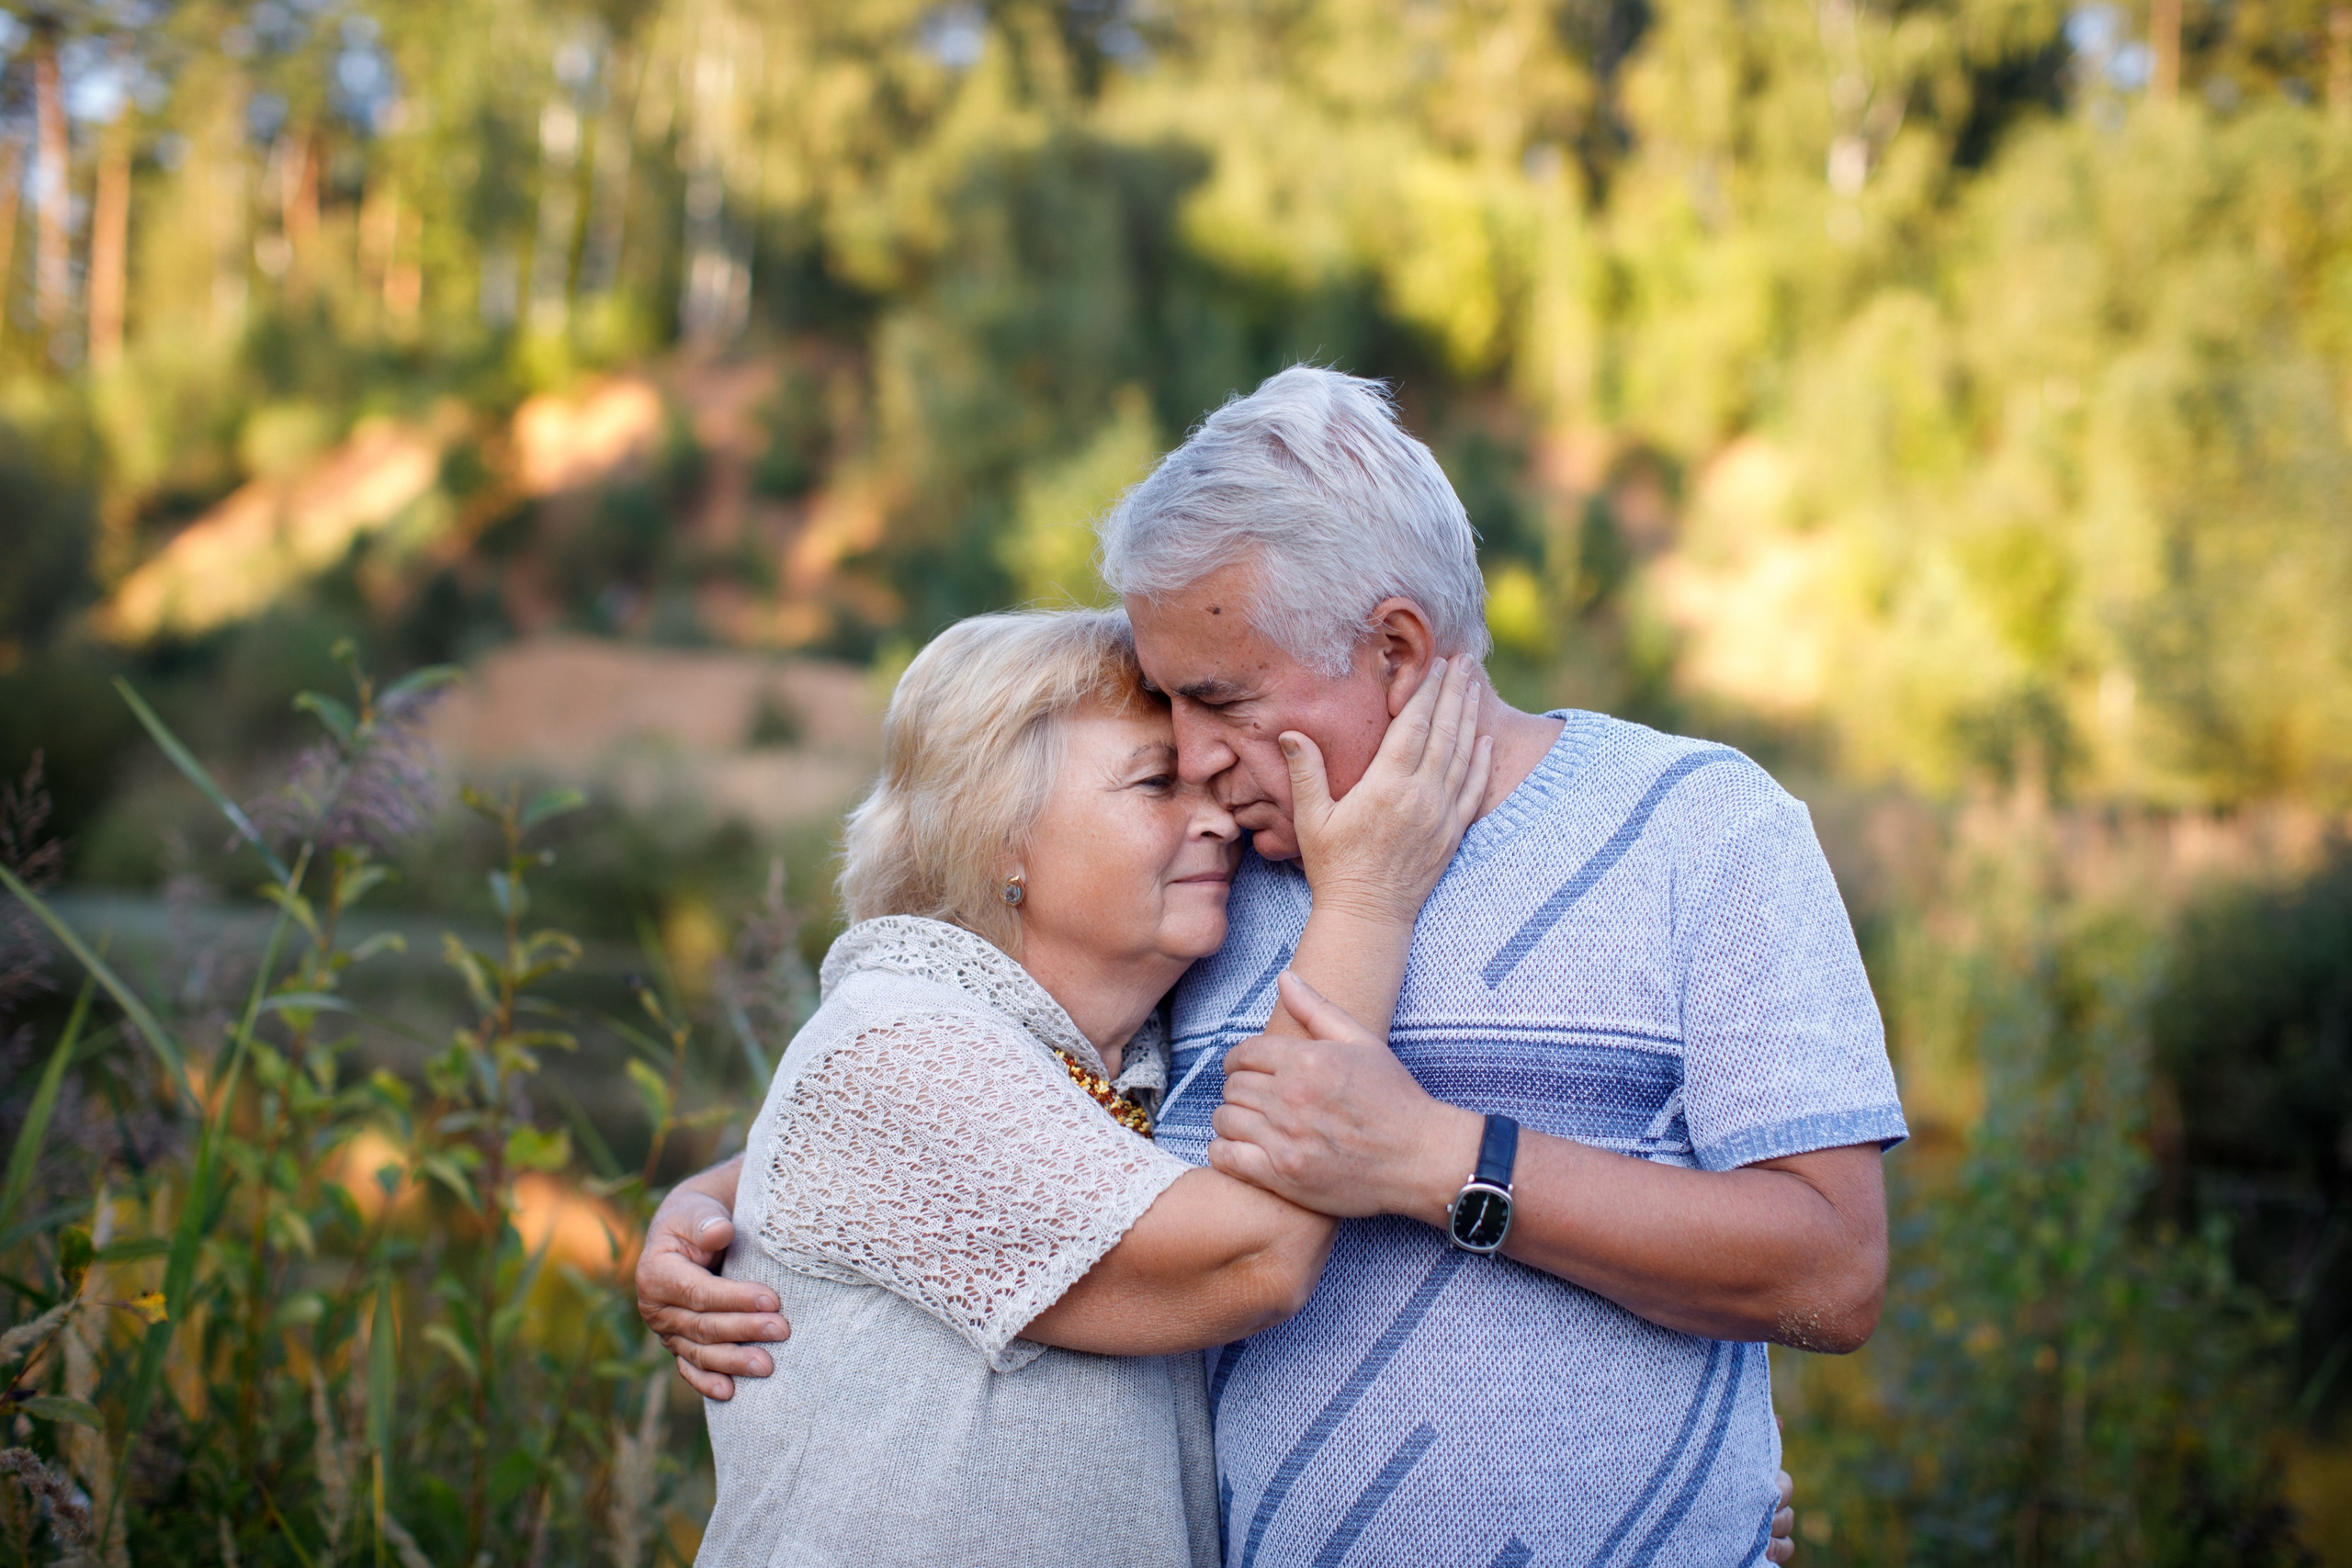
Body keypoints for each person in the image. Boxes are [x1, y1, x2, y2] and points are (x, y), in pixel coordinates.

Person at [647, 367, 1887, 1565]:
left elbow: (1830, 1276)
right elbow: (998, 1111)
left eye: (1220, 699)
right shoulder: (1213, 893)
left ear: (1395, 648)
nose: (1197, 763)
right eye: (1165, 721)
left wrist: (1446, 1160)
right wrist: (717, 1207)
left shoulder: (1705, 831)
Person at [692, 608, 1493, 1567]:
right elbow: (1253, 1260)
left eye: (1208, 782)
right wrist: (1366, 895)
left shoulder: (1106, 1062)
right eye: (1157, 782)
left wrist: (700, 1197)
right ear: (1000, 836)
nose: (1216, 818)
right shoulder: (896, 1040)